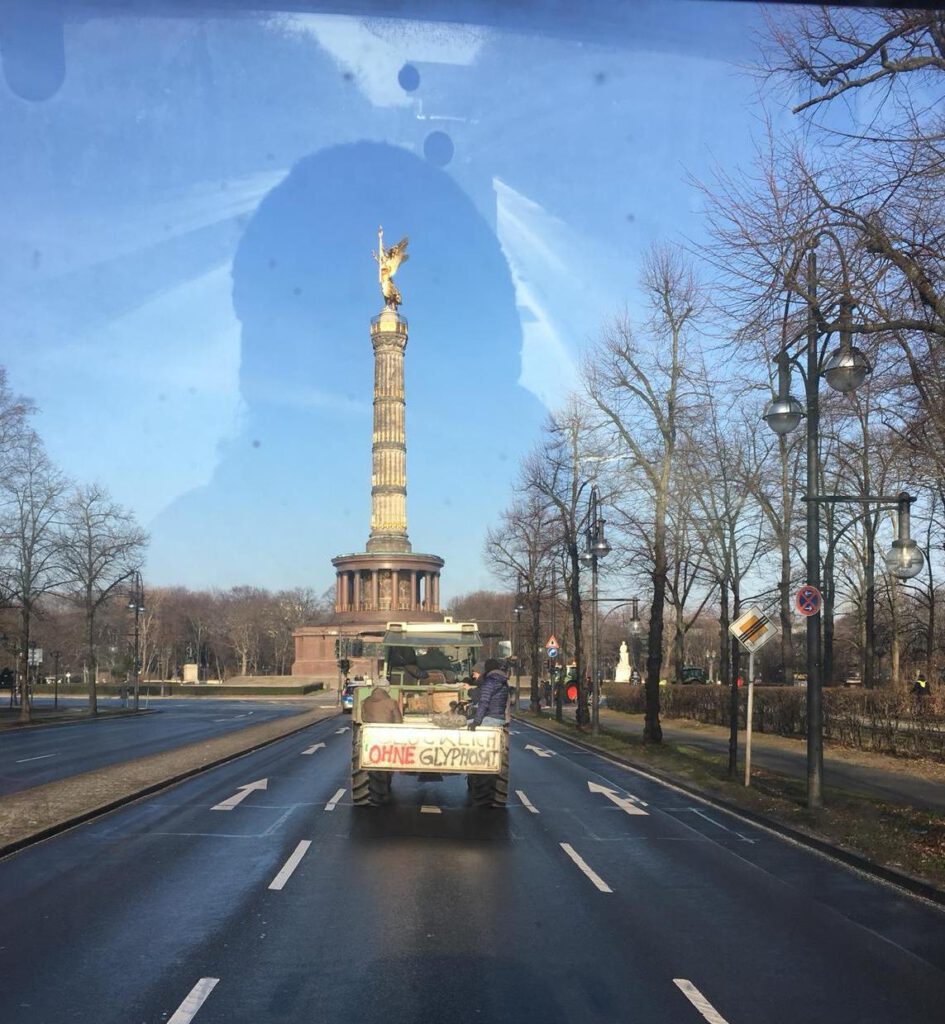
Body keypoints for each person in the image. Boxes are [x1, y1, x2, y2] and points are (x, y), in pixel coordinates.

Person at [468, 658, 509, 729]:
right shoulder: (503, 681)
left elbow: (484, 702)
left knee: (462, 725)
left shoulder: (490, 682)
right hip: (500, 718)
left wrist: (476, 722)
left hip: (491, 718)